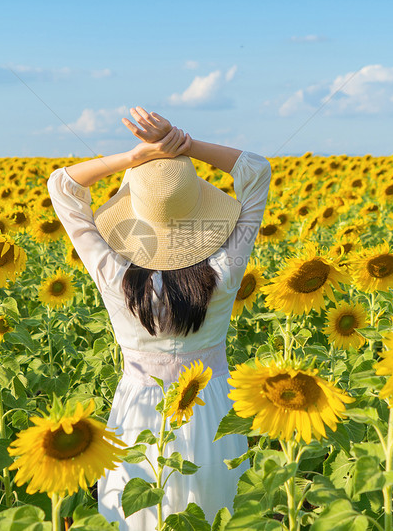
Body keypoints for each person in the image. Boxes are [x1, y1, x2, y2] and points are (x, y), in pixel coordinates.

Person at [46, 107, 272, 528]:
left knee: (133, 517)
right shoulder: (225, 269)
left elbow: (62, 186)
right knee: (219, 515)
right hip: (213, 408)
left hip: (137, 414)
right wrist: (186, 145)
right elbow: (257, 170)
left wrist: (134, 158)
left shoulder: (113, 273)